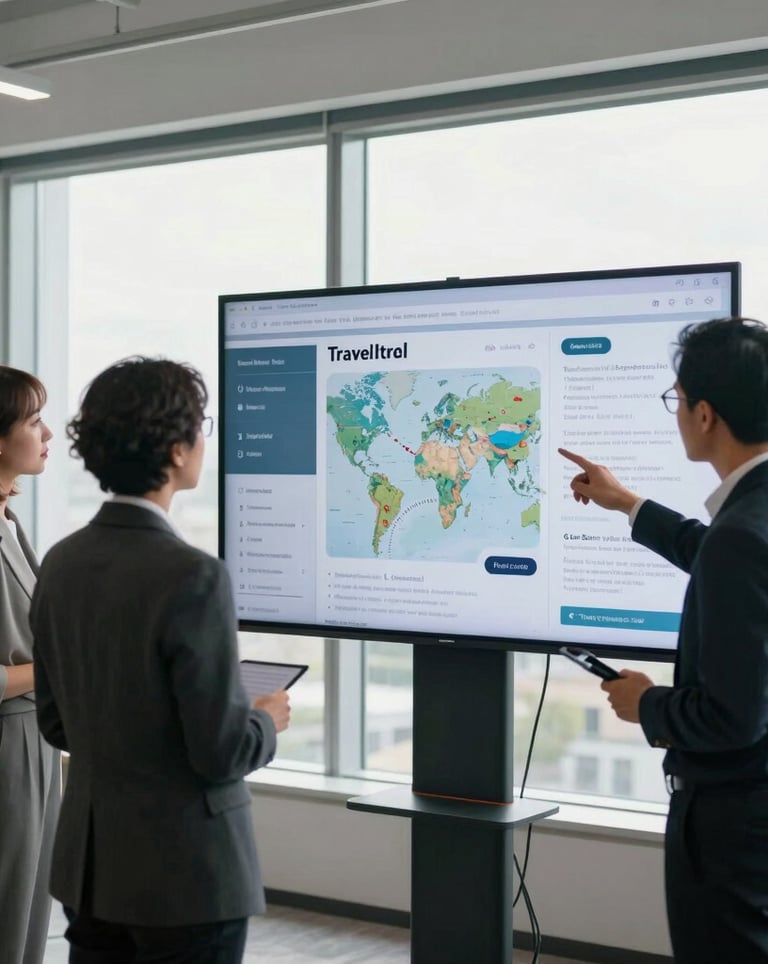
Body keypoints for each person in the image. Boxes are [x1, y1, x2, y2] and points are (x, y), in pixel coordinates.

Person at [30, 357, 291, 964]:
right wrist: (263, 719)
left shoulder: (61, 561)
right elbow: (220, 751)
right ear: (177, 450)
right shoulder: (192, 574)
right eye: (201, 426)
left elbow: (56, 722)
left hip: (91, 867)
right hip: (187, 874)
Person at [560, 316, 768, 964]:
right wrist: (628, 503)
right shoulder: (752, 518)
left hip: (732, 832)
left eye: (675, 400)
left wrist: (645, 704)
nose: (675, 413)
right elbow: (713, 553)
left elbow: (734, 719)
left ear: (704, 414)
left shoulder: (742, 534)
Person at [0, 366, 59, 964]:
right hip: (6, 748)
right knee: (9, 919)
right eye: (33, 419)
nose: (47, 433)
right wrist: (57, 668)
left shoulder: (9, 523)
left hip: (34, 740)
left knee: (30, 919)